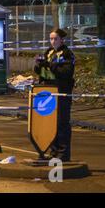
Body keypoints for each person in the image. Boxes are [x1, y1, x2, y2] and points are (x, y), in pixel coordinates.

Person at [34, 28, 75, 162]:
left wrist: (50, 65)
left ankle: (63, 154)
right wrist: (38, 66)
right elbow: (43, 72)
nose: (52, 41)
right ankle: (54, 151)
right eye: (51, 39)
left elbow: (66, 72)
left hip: (61, 91)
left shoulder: (67, 54)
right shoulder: (49, 52)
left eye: (55, 39)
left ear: (62, 40)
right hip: (48, 90)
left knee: (62, 122)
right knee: (51, 123)